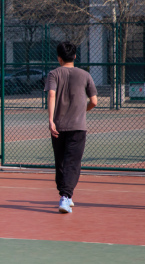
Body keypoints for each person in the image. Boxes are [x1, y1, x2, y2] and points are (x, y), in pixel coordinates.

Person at [45, 41, 97, 214]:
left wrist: (51, 120)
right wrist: (83, 110)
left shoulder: (53, 74)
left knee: (60, 162)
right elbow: (94, 101)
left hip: (58, 126)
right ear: (75, 56)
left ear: (59, 58)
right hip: (78, 126)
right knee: (72, 163)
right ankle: (66, 196)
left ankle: (64, 194)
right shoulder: (85, 75)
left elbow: (51, 95)